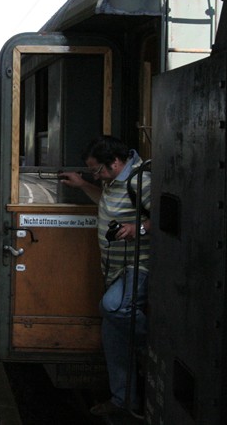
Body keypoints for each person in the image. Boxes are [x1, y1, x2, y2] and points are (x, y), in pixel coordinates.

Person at [60, 136, 151, 416]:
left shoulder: (141, 180)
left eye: (97, 170)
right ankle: (123, 401)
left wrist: (138, 229)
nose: (96, 176)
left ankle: (155, 345)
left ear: (115, 162)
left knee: (114, 307)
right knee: (113, 339)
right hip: (115, 269)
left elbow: (167, 216)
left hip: (138, 265)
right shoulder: (114, 181)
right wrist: (82, 184)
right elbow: (105, 202)